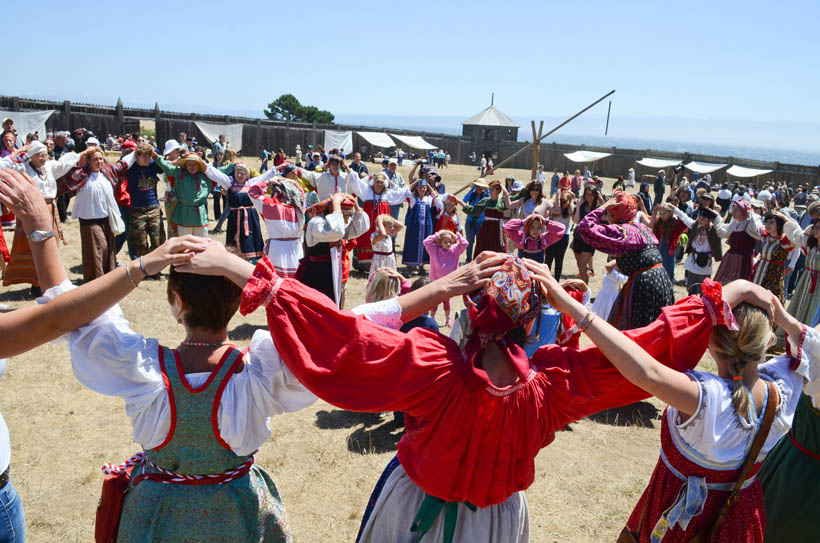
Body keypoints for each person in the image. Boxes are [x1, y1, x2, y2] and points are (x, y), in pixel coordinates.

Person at [186, 244, 761, 543]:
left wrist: (241, 269)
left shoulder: (431, 367)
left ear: (470, 310)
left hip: (412, 511)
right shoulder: (554, 386)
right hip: (497, 524)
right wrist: (723, 294)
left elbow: (342, 337)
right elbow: (643, 348)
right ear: (532, 319)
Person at [0, 167, 206, 543]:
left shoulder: (142, 368)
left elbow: (63, 317)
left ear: (176, 305)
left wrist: (146, 263)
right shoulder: (260, 369)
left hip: (160, 511)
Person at [538, 268, 810, 543]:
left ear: (711, 341)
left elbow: (644, 371)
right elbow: (811, 345)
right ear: (769, 340)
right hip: (739, 519)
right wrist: (785, 319)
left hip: (682, 522)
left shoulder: (705, 397)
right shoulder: (784, 388)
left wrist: (571, 306)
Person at [577, 191, 674, 330]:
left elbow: (585, 227)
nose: (606, 217)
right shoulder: (640, 228)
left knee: (637, 331)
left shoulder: (624, 231)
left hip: (645, 286)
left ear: (615, 213)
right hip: (661, 281)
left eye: (609, 213)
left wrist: (604, 206)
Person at [0, 141, 81, 293]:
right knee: (34, 244)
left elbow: (63, 164)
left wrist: (82, 153)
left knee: (51, 243)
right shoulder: (23, 168)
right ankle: (36, 283)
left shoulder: (48, 167)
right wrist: (16, 154)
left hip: (50, 209)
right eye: (40, 155)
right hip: (32, 210)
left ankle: (48, 281)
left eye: (45, 155)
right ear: (32, 157)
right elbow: (4, 167)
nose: (44, 158)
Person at [61, 147, 134, 282]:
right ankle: (96, 280)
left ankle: (107, 278)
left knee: (107, 250)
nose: (99, 161)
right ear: (88, 161)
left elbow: (124, 163)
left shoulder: (107, 172)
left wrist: (136, 151)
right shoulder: (81, 174)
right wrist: (81, 153)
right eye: (95, 159)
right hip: (89, 221)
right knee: (97, 250)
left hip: (106, 220)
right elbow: (63, 168)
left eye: (101, 158)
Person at [301, 192, 370, 307]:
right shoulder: (317, 223)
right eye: (345, 214)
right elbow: (337, 232)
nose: (347, 219)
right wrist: (337, 207)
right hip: (317, 273)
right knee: (317, 308)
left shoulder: (335, 222)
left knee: (331, 306)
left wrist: (356, 206)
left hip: (332, 271)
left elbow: (359, 229)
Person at [205, 162, 279, 262]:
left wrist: (278, 168)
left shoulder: (251, 183)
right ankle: (235, 261)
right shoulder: (229, 183)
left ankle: (252, 261)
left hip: (250, 218)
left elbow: (265, 176)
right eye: (237, 173)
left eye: (242, 173)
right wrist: (204, 165)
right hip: (235, 218)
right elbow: (217, 175)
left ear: (247, 175)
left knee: (250, 239)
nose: (239, 175)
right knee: (234, 238)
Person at [247, 167, 306, 278]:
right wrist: (291, 183)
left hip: (276, 248)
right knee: (296, 281)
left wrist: (269, 181)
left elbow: (252, 192)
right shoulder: (299, 209)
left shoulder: (271, 206)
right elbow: (301, 193)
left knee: (275, 281)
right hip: (295, 249)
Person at [348, 172, 409, 269]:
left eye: (381, 183)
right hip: (369, 219)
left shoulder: (387, 193)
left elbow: (401, 193)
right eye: (377, 182)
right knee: (365, 238)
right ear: (373, 183)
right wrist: (349, 169)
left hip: (383, 221)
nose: (379, 184)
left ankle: (382, 263)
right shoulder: (367, 191)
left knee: (382, 236)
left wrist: (412, 184)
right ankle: (364, 266)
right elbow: (356, 182)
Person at [154, 152, 215, 237]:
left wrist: (233, 166)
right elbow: (165, 166)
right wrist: (155, 156)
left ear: (198, 166)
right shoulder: (179, 172)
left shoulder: (204, 176)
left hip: (200, 216)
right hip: (184, 215)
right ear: (186, 165)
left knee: (202, 244)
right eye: (190, 164)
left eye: (195, 164)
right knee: (185, 243)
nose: (192, 166)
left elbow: (220, 172)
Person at [124, 143, 164, 260]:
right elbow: (121, 162)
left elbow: (164, 166)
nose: (147, 159)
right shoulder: (130, 167)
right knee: (140, 243)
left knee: (157, 242)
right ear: (137, 157)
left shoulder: (152, 165)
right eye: (144, 156)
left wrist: (155, 155)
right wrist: (134, 153)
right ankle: (145, 269)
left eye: (149, 155)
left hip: (154, 208)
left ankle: (156, 270)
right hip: (137, 210)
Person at [752, 210, 801, 303]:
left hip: (774, 276)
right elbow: (754, 221)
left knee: (769, 301)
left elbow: (798, 236)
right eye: (766, 222)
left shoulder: (784, 241)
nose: (767, 225)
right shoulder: (765, 237)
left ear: (778, 225)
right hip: (759, 272)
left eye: (771, 222)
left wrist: (785, 219)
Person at [673, 205, 723, 295]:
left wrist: (716, 214)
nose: (700, 220)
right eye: (699, 218)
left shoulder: (714, 229)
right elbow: (685, 218)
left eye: (703, 219)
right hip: (693, 260)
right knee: (691, 287)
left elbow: (720, 223)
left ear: (709, 220)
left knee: (703, 288)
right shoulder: (695, 225)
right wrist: (675, 209)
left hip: (705, 262)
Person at [423, 230, 468, 327]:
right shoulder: (434, 249)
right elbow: (426, 242)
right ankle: (432, 318)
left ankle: (448, 320)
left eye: (450, 242)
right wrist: (439, 233)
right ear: (440, 242)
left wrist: (457, 236)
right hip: (435, 281)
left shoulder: (455, 250)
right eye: (445, 242)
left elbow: (465, 243)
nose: (448, 244)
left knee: (446, 301)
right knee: (434, 301)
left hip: (448, 281)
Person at [713, 200, 763, 284]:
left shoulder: (749, 225)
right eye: (733, 210)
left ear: (744, 211)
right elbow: (722, 232)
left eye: (736, 210)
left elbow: (759, 231)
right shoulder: (734, 224)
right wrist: (717, 218)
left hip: (744, 261)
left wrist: (751, 213)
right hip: (730, 259)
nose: (733, 213)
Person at [537, 190, 574, 280]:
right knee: (548, 259)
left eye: (565, 202)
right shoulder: (554, 207)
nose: (563, 204)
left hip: (563, 236)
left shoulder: (569, 209)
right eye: (562, 201)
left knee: (559, 260)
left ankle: (556, 280)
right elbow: (548, 205)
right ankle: (546, 279)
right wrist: (556, 197)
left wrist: (571, 197)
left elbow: (571, 210)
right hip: (552, 235)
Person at [650, 201, 687, 283]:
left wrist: (676, 211)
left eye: (664, 213)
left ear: (670, 214)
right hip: (658, 250)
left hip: (668, 252)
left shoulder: (674, 223)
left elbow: (685, 222)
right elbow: (651, 225)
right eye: (661, 213)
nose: (662, 216)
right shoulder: (659, 222)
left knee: (666, 272)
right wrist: (654, 212)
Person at [402, 179, 434, 274]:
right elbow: (407, 191)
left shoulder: (429, 199)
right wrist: (416, 182)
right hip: (414, 226)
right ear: (416, 189)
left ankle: (421, 266)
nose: (422, 189)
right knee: (412, 244)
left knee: (425, 244)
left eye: (424, 188)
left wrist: (428, 184)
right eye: (420, 188)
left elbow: (434, 194)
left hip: (426, 226)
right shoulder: (412, 198)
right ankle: (410, 266)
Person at [572, 186, 603, 284]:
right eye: (587, 194)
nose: (589, 196)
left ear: (595, 196)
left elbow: (607, 215)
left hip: (589, 241)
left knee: (582, 265)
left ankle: (585, 291)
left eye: (591, 194)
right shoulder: (581, 206)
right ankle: (583, 287)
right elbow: (576, 221)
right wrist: (577, 206)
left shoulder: (598, 208)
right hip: (578, 238)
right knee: (580, 265)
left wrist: (602, 202)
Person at [462, 180, 489, 262]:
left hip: (480, 222)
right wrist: (472, 189)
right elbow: (464, 200)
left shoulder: (486, 196)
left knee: (479, 242)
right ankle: (468, 259)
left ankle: (478, 260)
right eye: (478, 186)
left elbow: (491, 200)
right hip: (470, 221)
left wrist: (486, 190)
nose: (479, 189)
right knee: (469, 242)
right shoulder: (472, 195)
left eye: (481, 187)